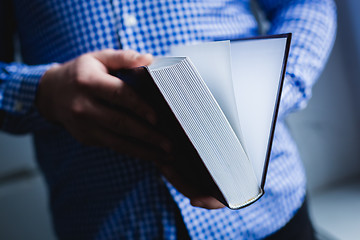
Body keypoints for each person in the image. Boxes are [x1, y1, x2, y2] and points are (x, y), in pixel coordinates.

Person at [0, 0, 336, 239]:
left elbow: (307, 3)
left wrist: (268, 94)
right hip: (108, 223)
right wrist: (44, 93)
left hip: (270, 209)